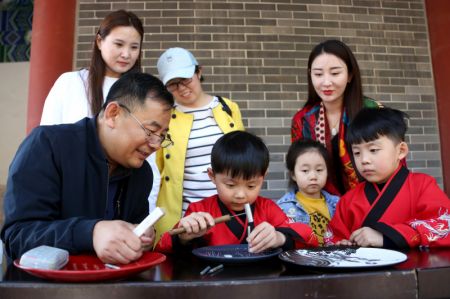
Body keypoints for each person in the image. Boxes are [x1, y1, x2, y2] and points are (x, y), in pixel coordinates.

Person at [1, 73, 174, 263]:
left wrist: (140, 237)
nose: (156, 144)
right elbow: (17, 237)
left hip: (113, 288)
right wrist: (91, 233)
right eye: (150, 131)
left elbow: (135, 228)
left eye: (162, 136)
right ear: (113, 114)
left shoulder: (142, 173)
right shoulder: (48, 146)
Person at [40, 10, 161, 211]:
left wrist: (146, 214)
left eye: (134, 47)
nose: (126, 54)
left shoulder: (144, 95)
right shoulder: (69, 84)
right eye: (119, 44)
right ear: (99, 41)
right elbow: (45, 147)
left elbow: (150, 164)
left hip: (121, 200)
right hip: (68, 197)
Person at [155, 131, 318, 253]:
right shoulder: (199, 211)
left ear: (263, 177)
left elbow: (310, 239)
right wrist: (183, 237)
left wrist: (280, 237)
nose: (240, 195)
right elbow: (162, 247)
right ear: (212, 176)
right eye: (231, 185)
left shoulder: (268, 209)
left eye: (251, 186)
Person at [324, 107, 450, 249]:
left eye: (373, 150)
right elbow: (333, 237)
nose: (364, 160)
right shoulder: (348, 200)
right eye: (357, 153)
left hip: (415, 270)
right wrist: (342, 244)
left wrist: (387, 237)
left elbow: (445, 225)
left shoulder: (422, 185)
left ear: (401, 151)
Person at [154, 47, 245, 238]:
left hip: (228, 212)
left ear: (199, 72)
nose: (182, 88)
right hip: (185, 217)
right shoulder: (165, 117)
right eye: (173, 84)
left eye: (186, 79)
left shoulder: (228, 108)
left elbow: (242, 159)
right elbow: (159, 170)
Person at [291, 39, 382, 196]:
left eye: (335, 73)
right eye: (318, 74)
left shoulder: (374, 112)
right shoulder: (303, 120)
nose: (326, 82)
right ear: (310, 75)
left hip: (373, 202)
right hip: (324, 208)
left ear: (350, 75)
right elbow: (299, 168)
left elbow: (393, 164)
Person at [277, 140, 339, 245]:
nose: (313, 177)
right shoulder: (282, 208)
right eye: (305, 171)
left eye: (319, 170)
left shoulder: (338, 204)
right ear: (293, 175)